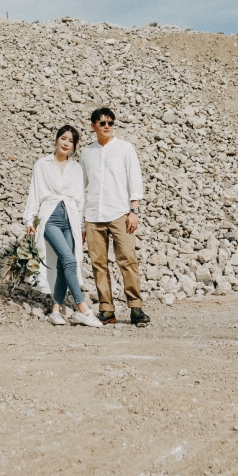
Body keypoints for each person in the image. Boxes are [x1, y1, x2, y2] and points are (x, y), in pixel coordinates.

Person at [23, 125, 103, 328]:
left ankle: (55, 310)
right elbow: (35, 191)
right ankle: (82, 307)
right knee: (69, 260)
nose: (66, 143)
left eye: (71, 141)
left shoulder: (76, 168)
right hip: (50, 217)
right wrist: (29, 220)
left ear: (74, 146)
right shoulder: (43, 164)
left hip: (71, 218)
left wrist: (83, 226)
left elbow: (80, 200)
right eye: (63, 138)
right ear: (57, 139)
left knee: (63, 264)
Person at [80, 107, 150, 326]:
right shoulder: (86, 152)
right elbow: (81, 185)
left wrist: (134, 211)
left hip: (120, 213)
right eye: (102, 123)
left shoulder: (125, 148)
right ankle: (106, 309)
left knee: (128, 260)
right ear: (93, 126)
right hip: (93, 215)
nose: (107, 126)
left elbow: (134, 179)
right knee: (98, 263)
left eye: (110, 122)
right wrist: (81, 221)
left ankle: (136, 308)